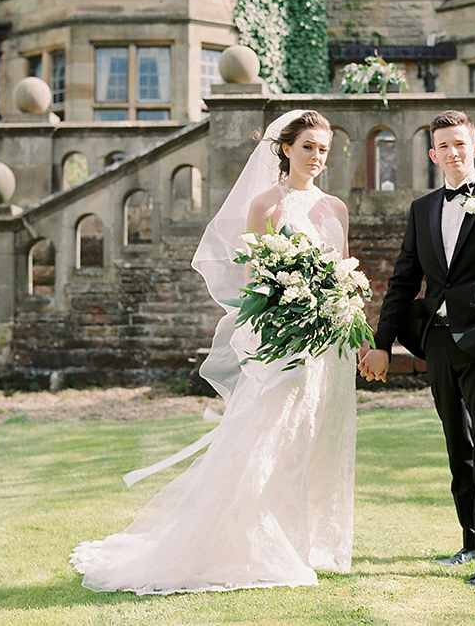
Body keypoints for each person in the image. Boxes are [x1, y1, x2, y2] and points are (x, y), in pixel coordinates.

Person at [70, 110, 356, 595]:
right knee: (267, 436)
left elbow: (345, 272)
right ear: (285, 149)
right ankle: (242, 540)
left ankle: (302, 540)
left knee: (315, 436)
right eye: (308, 147)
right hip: (283, 338)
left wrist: (344, 317)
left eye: (323, 149)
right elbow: (254, 278)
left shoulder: (335, 208)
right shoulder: (265, 205)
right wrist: (283, 319)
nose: (316, 157)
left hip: (329, 345)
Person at [359, 109, 475, 587]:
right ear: (433, 154)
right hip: (435, 345)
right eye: (444, 146)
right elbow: (402, 281)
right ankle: (469, 541)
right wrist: (383, 344)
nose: (453, 153)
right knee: (457, 447)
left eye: (462, 144)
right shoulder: (422, 209)